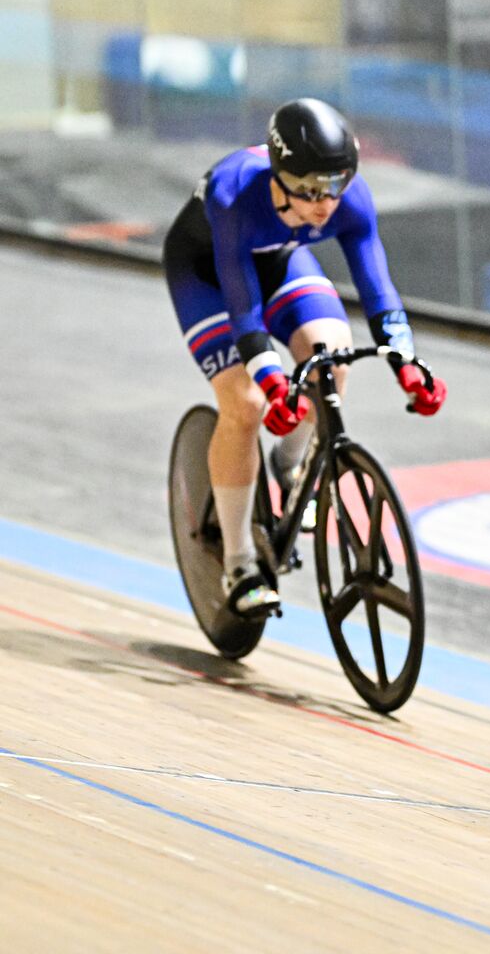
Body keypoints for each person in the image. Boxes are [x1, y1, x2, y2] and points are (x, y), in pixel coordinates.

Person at [163, 97, 447, 618]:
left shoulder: (349, 197)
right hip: (209, 276)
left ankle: (289, 466)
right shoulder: (235, 193)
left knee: (332, 360)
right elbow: (243, 306)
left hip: (281, 261)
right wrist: (271, 381)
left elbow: (378, 288)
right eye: (311, 189)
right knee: (245, 405)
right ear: (279, 175)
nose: (325, 203)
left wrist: (407, 362)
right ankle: (240, 561)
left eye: (336, 184)